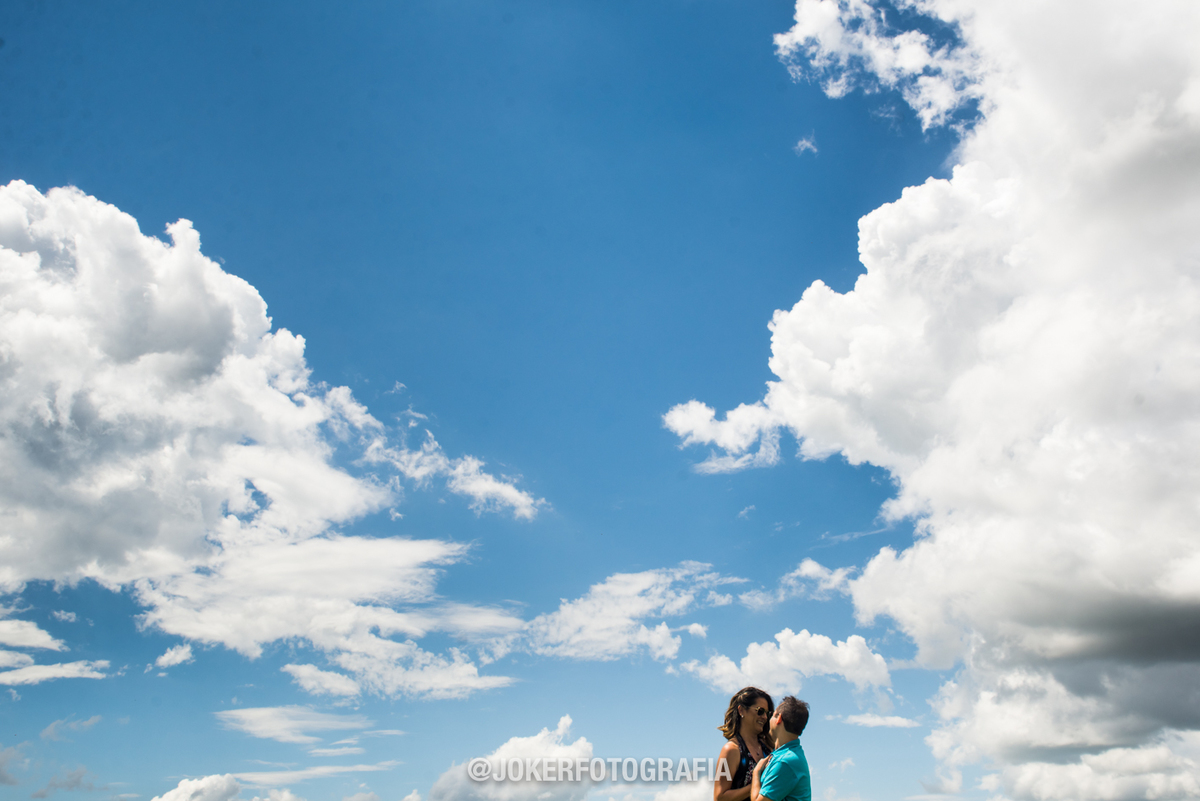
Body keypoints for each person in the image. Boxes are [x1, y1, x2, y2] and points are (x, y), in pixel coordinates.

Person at [713, 687, 775, 801]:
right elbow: (719, 797)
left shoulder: (768, 747)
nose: (765, 717)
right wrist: (757, 783)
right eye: (760, 711)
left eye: (768, 713)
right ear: (741, 710)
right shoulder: (730, 750)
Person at [750, 696, 811, 801]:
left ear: (779, 718)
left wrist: (756, 773)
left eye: (772, 715)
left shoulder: (785, 762)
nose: (768, 719)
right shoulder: (788, 754)